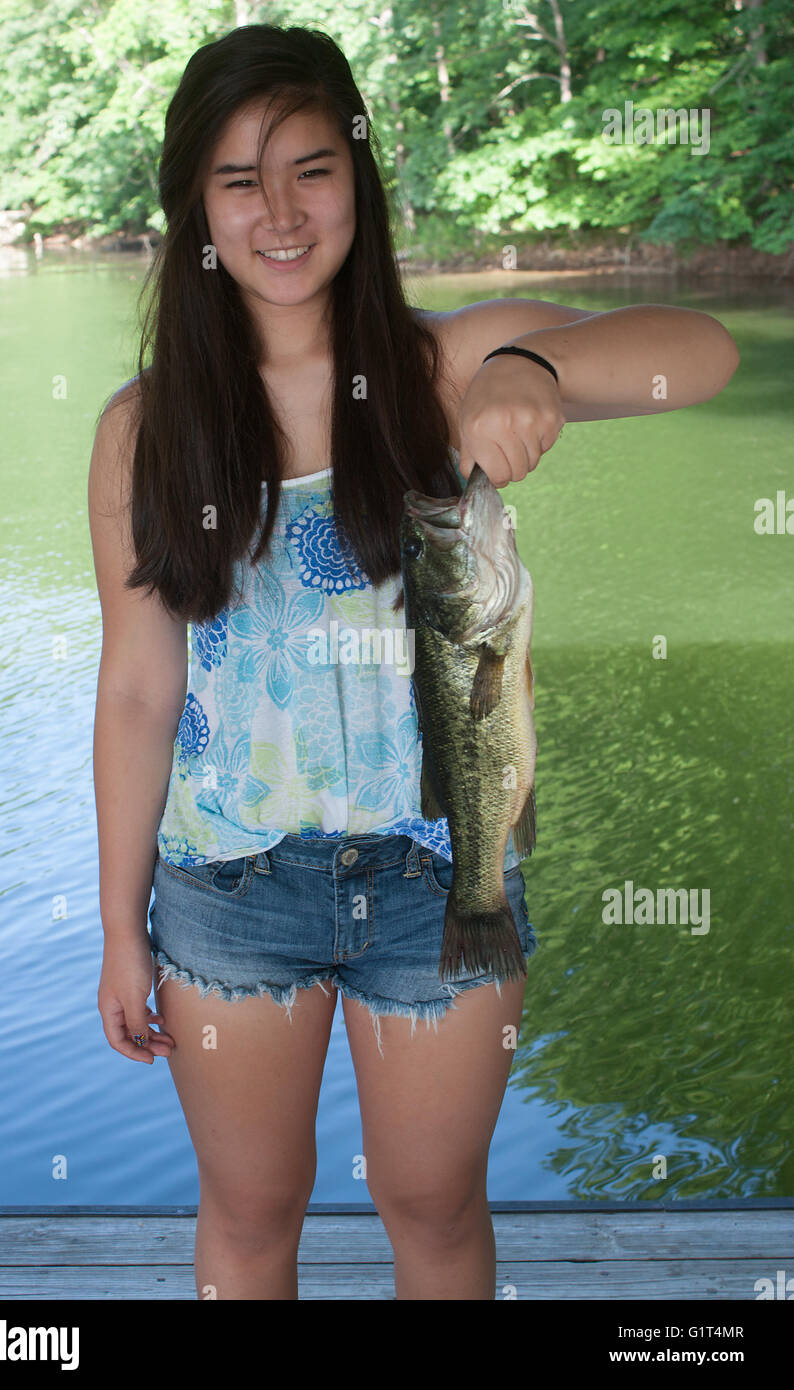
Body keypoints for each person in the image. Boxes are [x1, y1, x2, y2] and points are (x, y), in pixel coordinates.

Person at [87, 24, 739, 1301]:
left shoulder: (441, 368)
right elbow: (136, 686)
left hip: (445, 868)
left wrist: (530, 363)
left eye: (312, 169)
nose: (279, 212)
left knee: (431, 1203)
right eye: (237, 180)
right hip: (226, 887)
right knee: (251, 1210)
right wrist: (118, 927)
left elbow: (699, 354)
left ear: (361, 180)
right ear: (193, 209)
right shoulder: (141, 429)